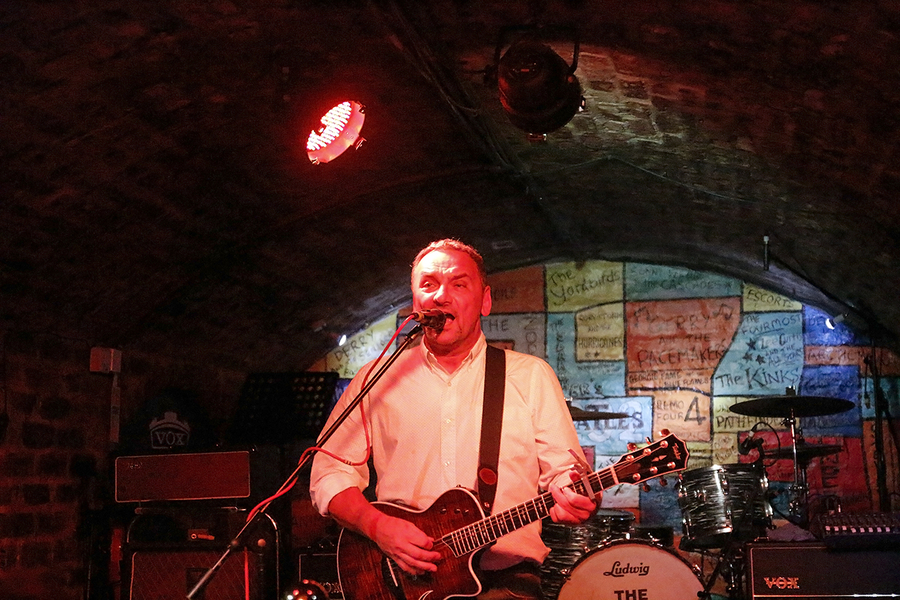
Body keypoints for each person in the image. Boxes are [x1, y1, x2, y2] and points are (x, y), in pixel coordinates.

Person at [309, 239, 597, 599]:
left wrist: (574, 494)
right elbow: (327, 474)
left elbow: (564, 475)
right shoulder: (378, 378)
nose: (440, 297)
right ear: (415, 302)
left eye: (458, 284)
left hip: (504, 583)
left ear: (485, 302)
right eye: (428, 285)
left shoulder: (530, 377)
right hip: (399, 581)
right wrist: (379, 527)